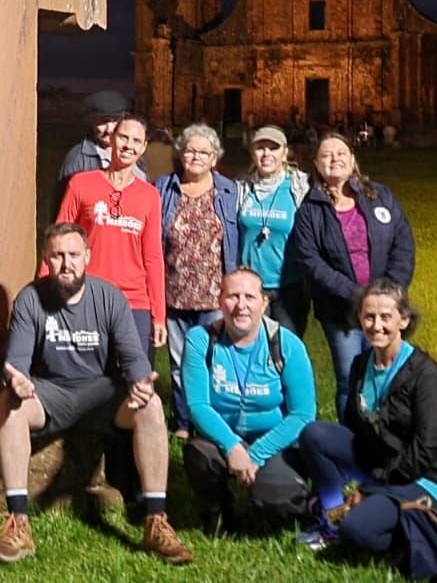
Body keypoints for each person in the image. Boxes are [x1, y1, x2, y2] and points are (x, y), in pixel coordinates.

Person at [0, 224, 193, 565]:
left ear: (87, 257)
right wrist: (17, 381)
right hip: (50, 393)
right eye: (57, 256)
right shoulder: (30, 298)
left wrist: (141, 381)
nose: (66, 264)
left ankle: (156, 521)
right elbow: (17, 360)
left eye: (73, 255)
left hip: (101, 393)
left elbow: (132, 356)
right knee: (9, 404)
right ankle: (18, 523)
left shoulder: (109, 297)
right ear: (46, 259)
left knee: (152, 404)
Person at [295, 281, 437, 578]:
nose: (376, 325)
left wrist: (370, 490)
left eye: (386, 317)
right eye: (369, 316)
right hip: (380, 465)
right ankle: (330, 519)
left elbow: (423, 453)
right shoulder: (362, 364)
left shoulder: (429, 378)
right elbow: (355, 427)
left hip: (423, 478)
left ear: (404, 320)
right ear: (359, 318)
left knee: (356, 530)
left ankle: (420, 523)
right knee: (314, 434)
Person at [291, 133, 415, 419]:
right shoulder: (310, 210)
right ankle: (351, 436)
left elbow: (403, 241)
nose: (334, 158)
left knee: (387, 372)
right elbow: (311, 261)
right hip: (340, 312)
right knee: (349, 378)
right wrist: (356, 295)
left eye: (341, 153)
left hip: (385, 306)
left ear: (353, 159)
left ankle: (386, 432)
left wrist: (390, 292)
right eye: (326, 155)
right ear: (316, 164)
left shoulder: (379, 196)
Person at [182, 269, 316, 532]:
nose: (241, 305)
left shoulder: (287, 344)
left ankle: (281, 491)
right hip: (222, 439)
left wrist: (256, 455)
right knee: (198, 454)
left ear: (264, 303)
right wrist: (232, 447)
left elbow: (303, 414)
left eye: (250, 297)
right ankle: (218, 512)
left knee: (280, 505)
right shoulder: (200, 340)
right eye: (232, 296)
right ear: (220, 301)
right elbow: (197, 406)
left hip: (274, 441)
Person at [54, 114, 165, 357]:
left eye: (136, 141)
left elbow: (153, 257)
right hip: (88, 295)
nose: (128, 146)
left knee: (135, 374)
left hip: (134, 302)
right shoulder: (81, 184)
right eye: (123, 137)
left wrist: (158, 315)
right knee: (86, 373)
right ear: (112, 139)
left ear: (143, 147)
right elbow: (58, 241)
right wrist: (47, 291)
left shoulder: (149, 196)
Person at [154, 123, 239, 438]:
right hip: (174, 292)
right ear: (180, 153)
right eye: (190, 151)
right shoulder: (163, 188)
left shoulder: (229, 191)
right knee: (180, 363)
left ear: (214, 158)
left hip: (214, 293)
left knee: (214, 361)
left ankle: (211, 423)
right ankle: (183, 421)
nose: (196, 157)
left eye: (204, 152)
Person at [236, 125, 311, 338]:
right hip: (251, 286)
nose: (266, 153)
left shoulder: (300, 187)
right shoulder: (241, 187)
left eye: (273, 148)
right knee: (251, 346)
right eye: (260, 148)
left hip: (289, 287)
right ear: (252, 153)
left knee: (286, 348)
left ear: (285, 153)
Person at [51, 90, 145, 215]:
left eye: (115, 121)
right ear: (92, 122)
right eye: (103, 122)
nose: (109, 129)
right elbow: (63, 211)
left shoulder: (134, 157)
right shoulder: (78, 159)